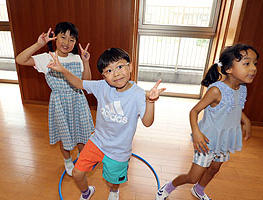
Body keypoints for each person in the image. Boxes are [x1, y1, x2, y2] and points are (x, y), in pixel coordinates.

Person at [47, 48, 165, 200]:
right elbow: (78, 83)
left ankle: (114, 191)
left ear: (130, 67)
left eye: (120, 67)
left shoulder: (138, 94)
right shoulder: (102, 86)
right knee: (77, 173)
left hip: (119, 150)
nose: (116, 73)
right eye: (109, 70)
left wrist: (149, 102)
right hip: (98, 142)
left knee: (112, 182)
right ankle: (86, 192)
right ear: (103, 76)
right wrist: (62, 69)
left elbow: (147, 122)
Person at [156, 43, 259, 200]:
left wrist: (246, 121)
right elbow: (194, 111)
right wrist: (196, 133)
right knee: (192, 176)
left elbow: (235, 108)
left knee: (214, 169)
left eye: (255, 63)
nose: (253, 68)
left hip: (225, 139)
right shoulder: (216, 90)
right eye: (247, 63)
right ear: (229, 69)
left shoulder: (242, 88)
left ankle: (199, 190)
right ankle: (169, 186)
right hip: (207, 141)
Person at [15, 22, 94, 176]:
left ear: (75, 43)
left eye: (71, 39)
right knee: (65, 135)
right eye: (63, 37)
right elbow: (20, 60)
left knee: (82, 134)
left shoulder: (77, 58)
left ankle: (81, 157)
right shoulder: (46, 58)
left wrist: (86, 61)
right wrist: (39, 44)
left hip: (78, 100)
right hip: (60, 103)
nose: (66, 42)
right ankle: (67, 161)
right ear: (55, 38)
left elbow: (87, 83)